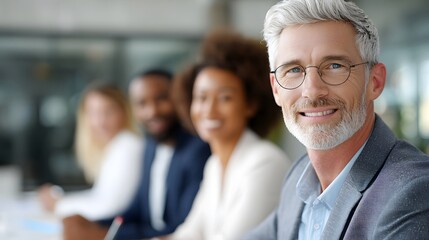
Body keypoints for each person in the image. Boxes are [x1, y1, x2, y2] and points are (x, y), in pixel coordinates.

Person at [244, 0, 429, 239]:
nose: (312, 91)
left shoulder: (414, 191)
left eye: (334, 65)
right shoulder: (298, 178)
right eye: (293, 70)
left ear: (375, 82)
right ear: (276, 90)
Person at [158, 30, 291, 240]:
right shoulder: (214, 165)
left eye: (224, 98)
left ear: (251, 104)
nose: (209, 111)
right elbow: (190, 233)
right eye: (201, 97)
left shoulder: (265, 162)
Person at [61, 69, 211, 240]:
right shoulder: (151, 147)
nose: (152, 111)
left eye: (161, 99)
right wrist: (94, 224)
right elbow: (136, 210)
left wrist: (103, 235)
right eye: (142, 103)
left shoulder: (196, 152)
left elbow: (182, 229)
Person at [38, 83, 143, 221]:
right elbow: (99, 196)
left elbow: (110, 207)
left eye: (109, 112)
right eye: (94, 113)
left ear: (124, 112)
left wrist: (59, 205)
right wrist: (62, 201)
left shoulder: (128, 145)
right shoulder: (116, 146)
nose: (101, 122)